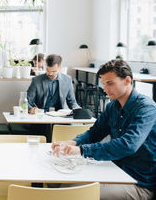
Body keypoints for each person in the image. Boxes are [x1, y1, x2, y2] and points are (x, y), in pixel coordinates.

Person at [52, 60, 156, 200]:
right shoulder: (113, 106)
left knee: (74, 193)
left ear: (127, 80)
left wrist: (82, 150)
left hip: (138, 183)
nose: (105, 89)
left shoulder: (146, 108)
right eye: (104, 84)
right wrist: (73, 143)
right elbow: (94, 133)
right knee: (66, 184)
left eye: (110, 83)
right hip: (116, 172)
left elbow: (128, 145)